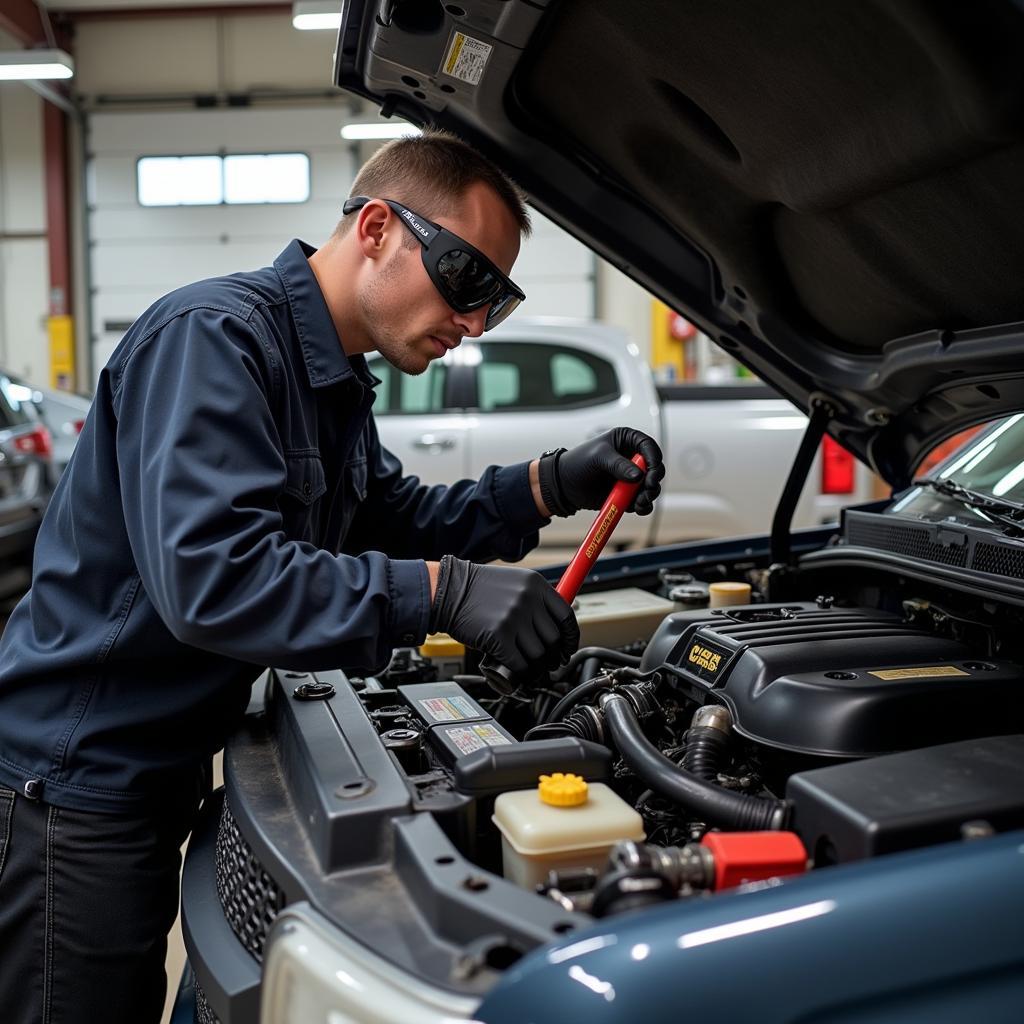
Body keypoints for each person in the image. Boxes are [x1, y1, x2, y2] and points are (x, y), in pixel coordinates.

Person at [0, 130, 664, 1022]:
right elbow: (215, 578)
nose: (473, 325)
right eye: (468, 282)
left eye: (495, 304)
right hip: (76, 785)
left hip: (154, 769)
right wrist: (444, 592)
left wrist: (549, 484)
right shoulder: (215, 339)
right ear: (380, 227)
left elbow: (397, 516)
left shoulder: (335, 383)